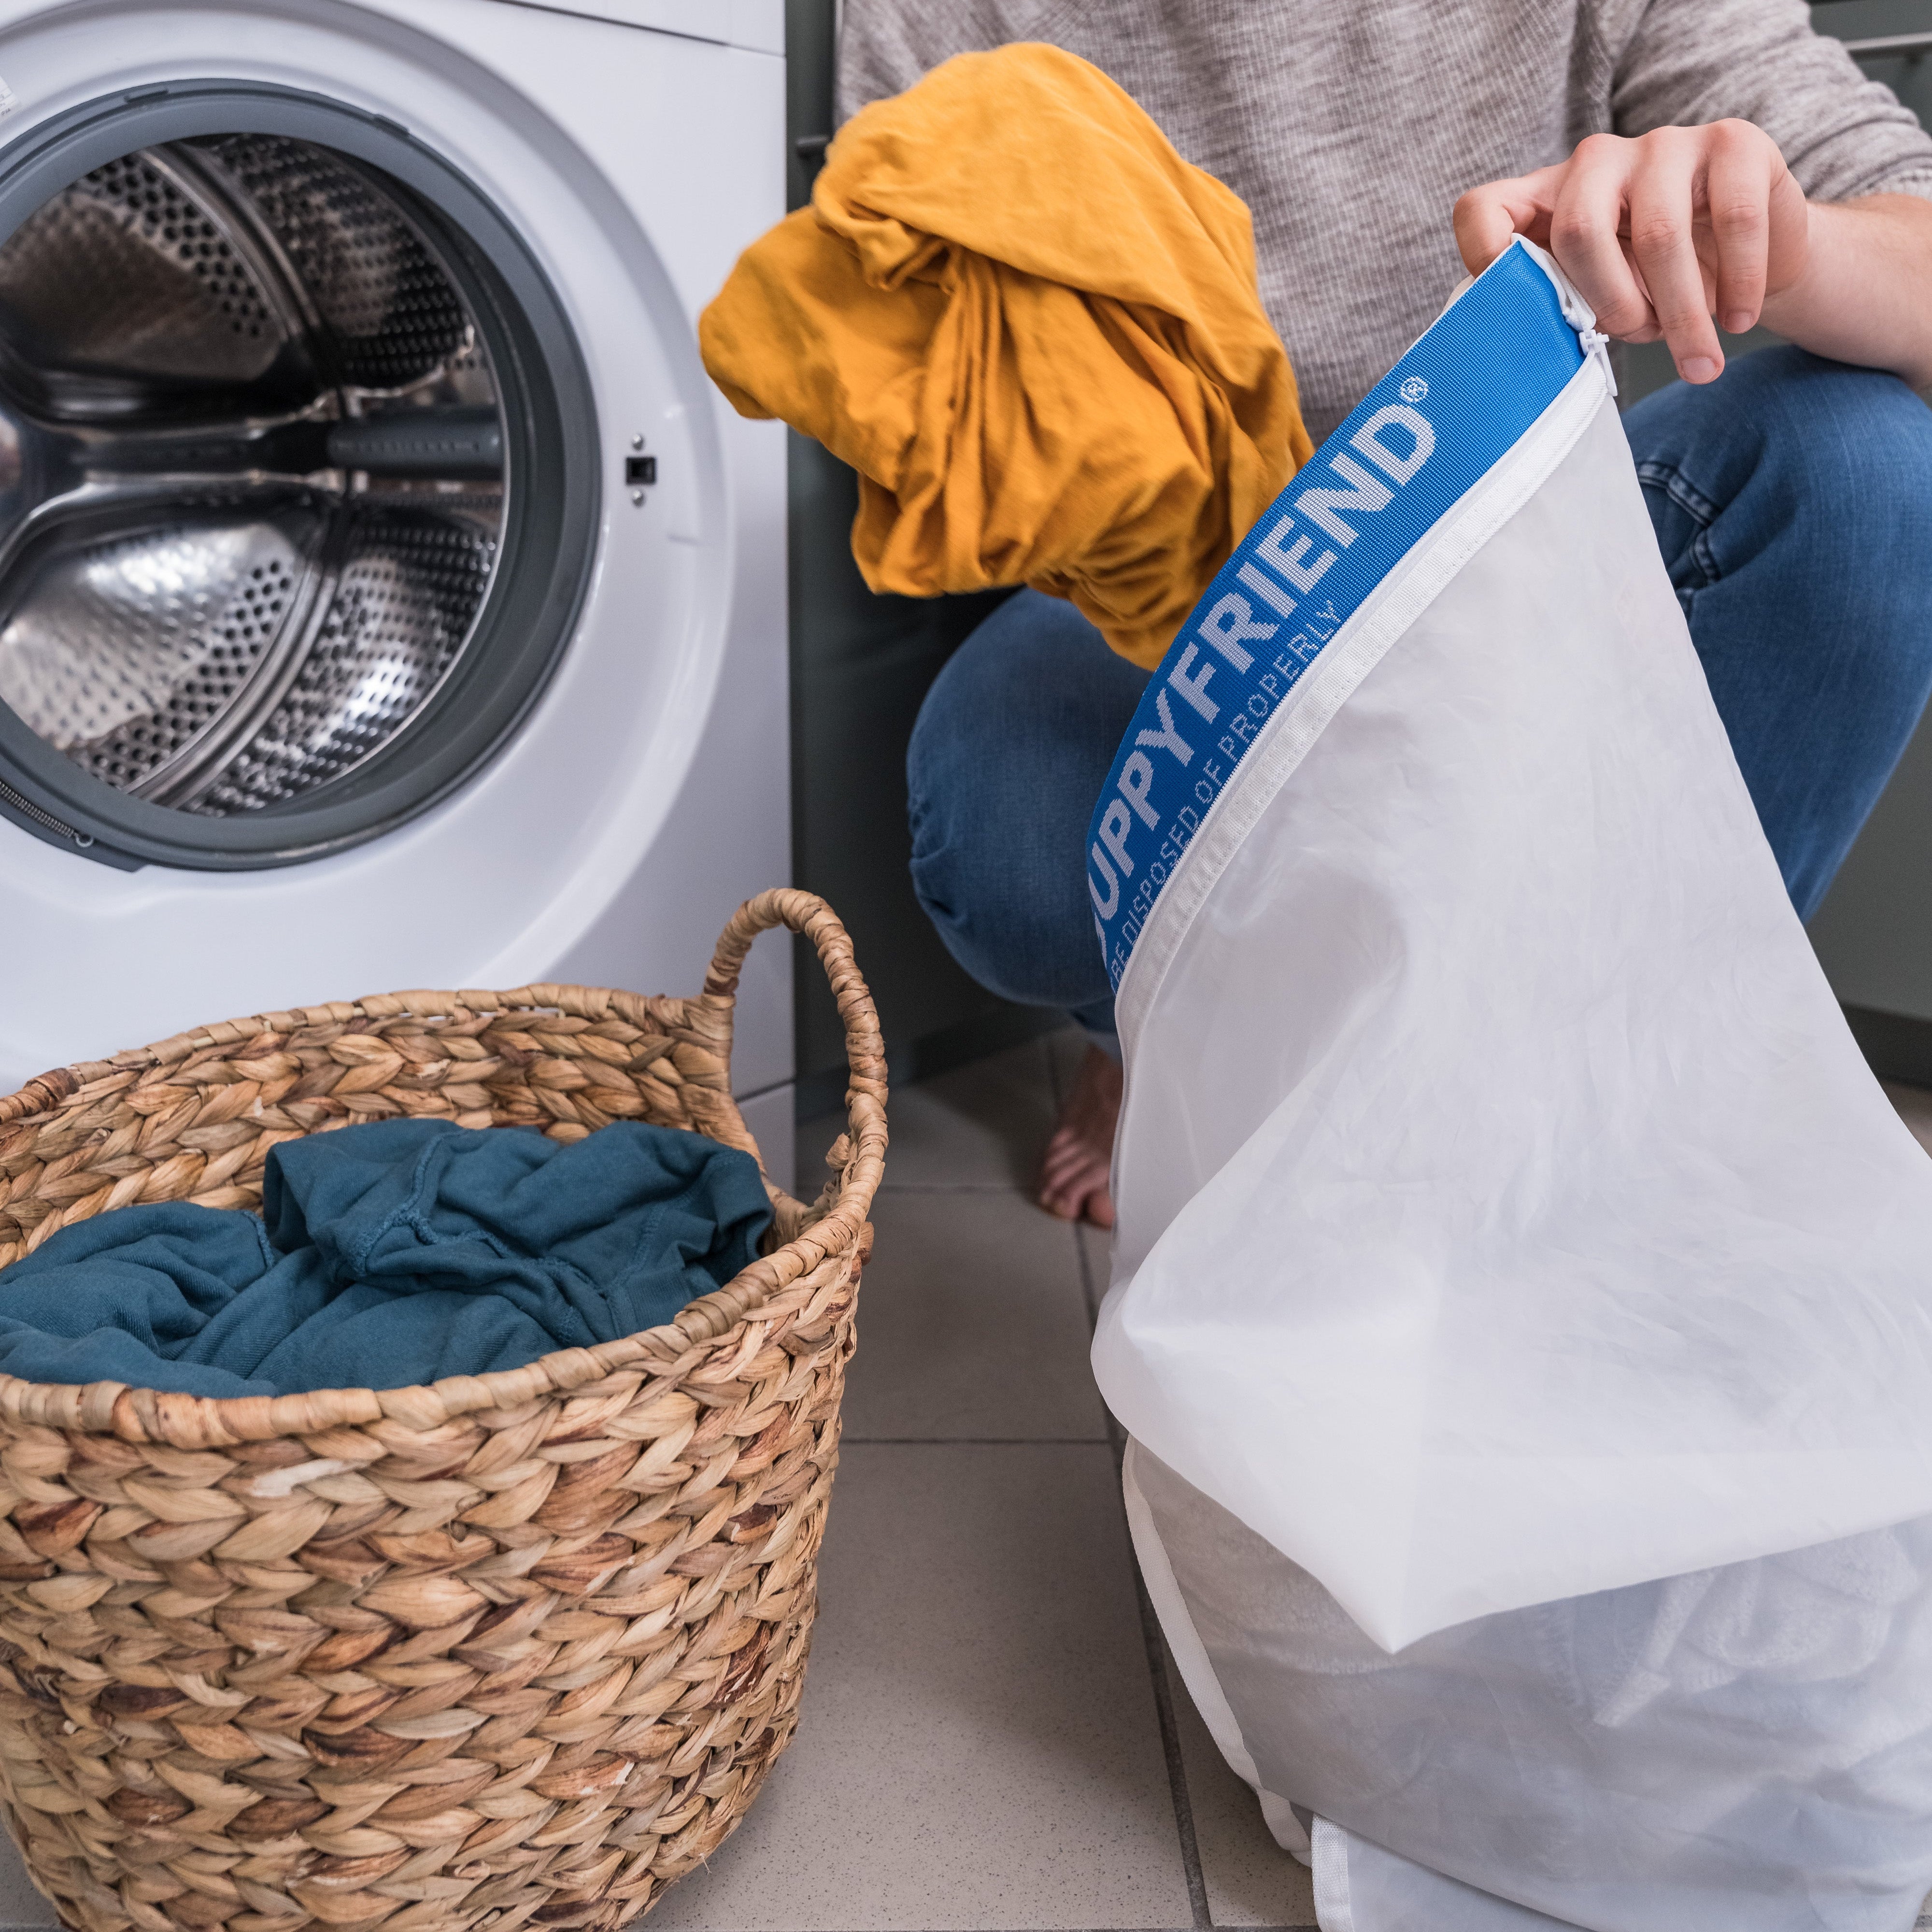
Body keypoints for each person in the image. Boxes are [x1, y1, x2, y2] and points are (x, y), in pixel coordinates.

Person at [842, 0, 1932, 1225]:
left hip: (1516, 513)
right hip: (1177, 580)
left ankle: (1600, 1093)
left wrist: (1780, 248)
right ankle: (1165, 1043)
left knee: (1864, 472)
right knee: (1006, 823)